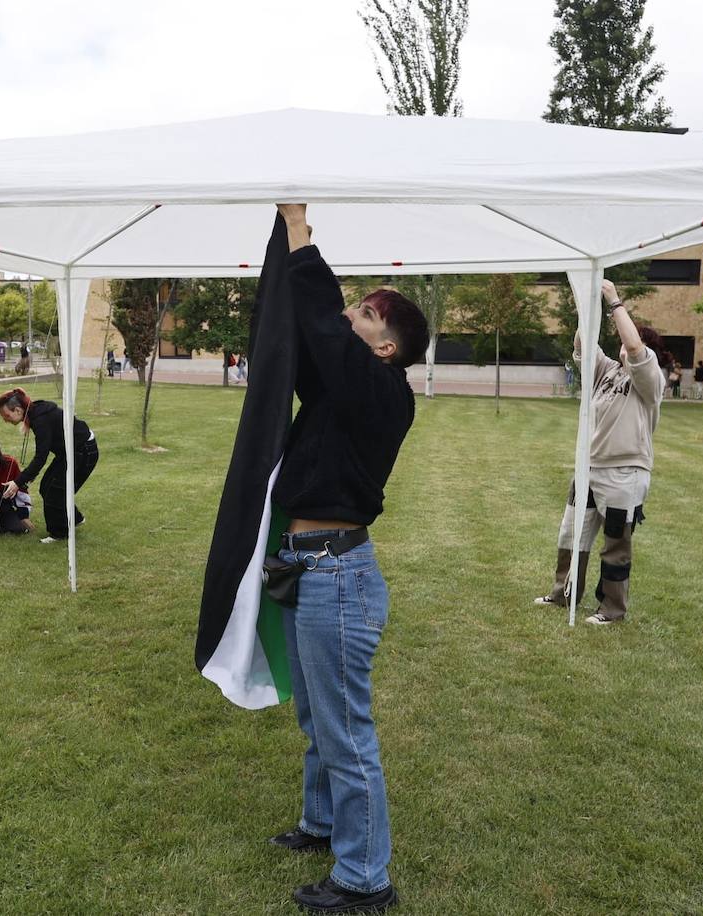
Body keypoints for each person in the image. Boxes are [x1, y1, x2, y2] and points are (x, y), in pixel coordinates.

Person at [259, 204, 426, 914]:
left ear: (385, 348)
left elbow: (323, 324)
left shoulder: (380, 391)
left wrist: (301, 234)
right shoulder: (344, 391)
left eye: (365, 312)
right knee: (316, 720)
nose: (351, 316)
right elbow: (314, 336)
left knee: (345, 729)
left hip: (338, 576)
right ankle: (322, 823)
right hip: (311, 568)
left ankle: (365, 879)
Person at [534, 279, 665, 625]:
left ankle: (611, 609)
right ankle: (564, 594)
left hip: (624, 475)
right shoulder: (607, 371)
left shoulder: (649, 380)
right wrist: (586, 305)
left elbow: (635, 348)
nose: (622, 344)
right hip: (588, 468)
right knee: (571, 533)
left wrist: (613, 300)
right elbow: (583, 344)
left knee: (615, 543)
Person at [0, 387, 98, 544]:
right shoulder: (34, 412)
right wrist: (26, 478)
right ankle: (76, 519)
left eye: (7, 416)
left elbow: (41, 457)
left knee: (55, 492)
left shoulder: (40, 419)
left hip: (84, 451)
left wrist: (18, 482)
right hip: (69, 452)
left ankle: (59, 534)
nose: (6, 420)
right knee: (46, 486)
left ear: (17, 410)